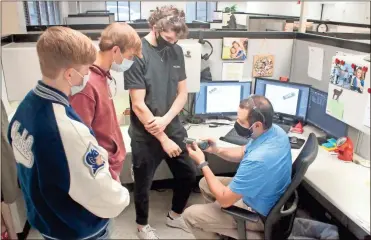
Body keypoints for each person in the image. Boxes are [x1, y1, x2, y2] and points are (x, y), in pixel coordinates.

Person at [7, 27, 130, 240]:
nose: (86, 76)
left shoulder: (25, 106)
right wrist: (122, 194)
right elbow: (100, 192)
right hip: (76, 227)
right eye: (85, 71)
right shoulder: (66, 129)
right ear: (70, 74)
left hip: (47, 217)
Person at [124, 6, 196, 239]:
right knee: (143, 183)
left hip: (170, 124)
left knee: (188, 172)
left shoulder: (175, 51)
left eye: (175, 39)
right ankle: (142, 226)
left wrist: (166, 120)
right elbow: (137, 104)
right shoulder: (137, 54)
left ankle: (175, 216)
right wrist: (162, 138)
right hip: (145, 132)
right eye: (167, 38)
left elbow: (182, 93)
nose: (171, 43)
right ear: (154, 27)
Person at [183, 95, 292, 240]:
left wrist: (202, 163)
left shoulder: (259, 159)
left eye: (241, 122)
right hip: (266, 197)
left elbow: (224, 200)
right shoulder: (275, 132)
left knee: (190, 215)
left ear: (258, 125)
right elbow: (243, 151)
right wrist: (216, 150)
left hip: (258, 215)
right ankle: (220, 227)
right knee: (204, 183)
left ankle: (228, 226)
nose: (237, 124)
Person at [70, 23, 142, 182]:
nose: (130, 62)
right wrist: (104, 172)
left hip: (111, 164)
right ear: (115, 50)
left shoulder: (102, 76)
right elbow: (81, 139)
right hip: (101, 170)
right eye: (130, 57)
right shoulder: (86, 84)